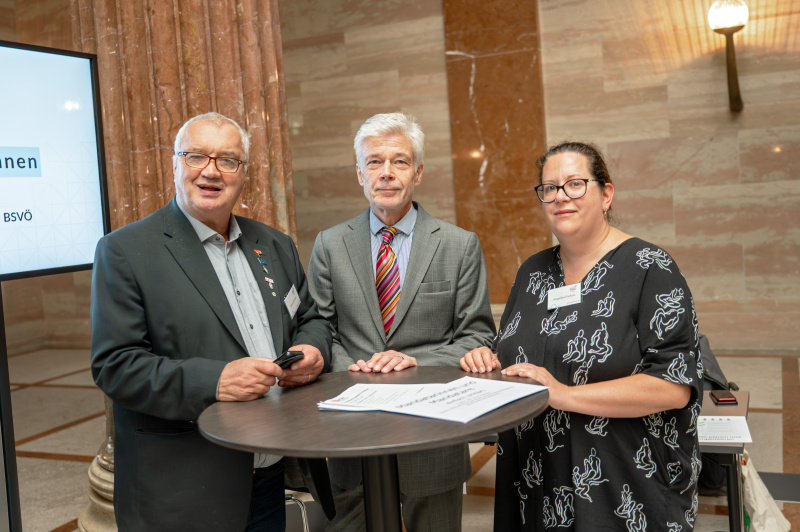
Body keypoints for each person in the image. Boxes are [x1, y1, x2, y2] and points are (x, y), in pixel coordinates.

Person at [91, 112, 334, 532]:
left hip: (271, 474)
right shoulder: (125, 251)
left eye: (227, 160)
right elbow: (116, 365)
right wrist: (216, 381)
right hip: (186, 487)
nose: (211, 171)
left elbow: (308, 317)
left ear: (244, 173)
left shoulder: (274, 244)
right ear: (175, 164)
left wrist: (312, 349)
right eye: (196, 156)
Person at [460, 141, 702, 531]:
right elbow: (516, 345)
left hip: (622, 485)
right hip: (534, 478)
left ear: (606, 195)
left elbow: (673, 386)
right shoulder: (533, 271)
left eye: (575, 184)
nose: (560, 196)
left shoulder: (649, 267)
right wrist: (486, 357)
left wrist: (562, 394)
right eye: (549, 188)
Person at [307, 112, 496, 531]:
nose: (387, 173)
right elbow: (319, 329)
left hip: (433, 436)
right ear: (360, 174)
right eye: (374, 162)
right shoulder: (330, 244)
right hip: (352, 435)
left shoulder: (459, 245)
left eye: (400, 161)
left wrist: (414, 362)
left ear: (418, 173)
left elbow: (478, 336)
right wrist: (355, 370)